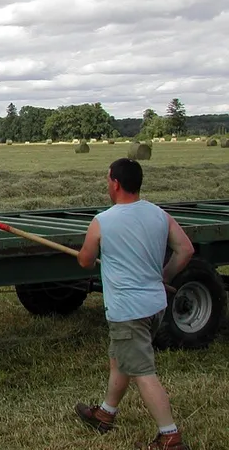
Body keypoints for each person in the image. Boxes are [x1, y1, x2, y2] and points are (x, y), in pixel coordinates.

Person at [74, 158, 194, 450]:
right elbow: (185, 249)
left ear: (115, 183)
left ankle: (170, 437)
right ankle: (105, 414)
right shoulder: (158, 214)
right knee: (121, 358)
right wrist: (164, 276)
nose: (107, 185)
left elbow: (85, 261)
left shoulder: (103, 221)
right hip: (154, 306)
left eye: (107, 180)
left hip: (128, 310)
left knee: (142, 371)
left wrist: (87, 252)